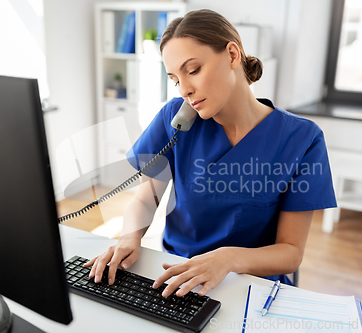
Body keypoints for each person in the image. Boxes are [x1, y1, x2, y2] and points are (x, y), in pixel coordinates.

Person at [85, 9, 337, 298]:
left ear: (232, 55)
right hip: (177, 276)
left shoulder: (301, 139)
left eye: (193, 70)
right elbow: (146, 197)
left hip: (251, 285)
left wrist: (228, 259)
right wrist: (129, 236)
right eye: (175, 79)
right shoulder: (176, 120)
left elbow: (291, 252)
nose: (184, 90)